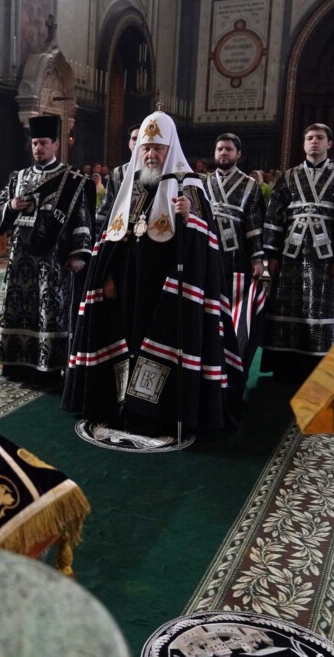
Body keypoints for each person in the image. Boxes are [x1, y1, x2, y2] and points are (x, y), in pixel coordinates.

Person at [64, 111, 241, 447]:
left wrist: (190, 220)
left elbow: (209, 245)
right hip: (127, 287)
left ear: (170, 148)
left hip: (169, 292)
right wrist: (107, 277)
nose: (150, 154)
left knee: (160, 346)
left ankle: (156, 413)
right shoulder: (131, 183)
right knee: (126, 343)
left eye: (158, 148)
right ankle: (122, 406)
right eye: (146, 148)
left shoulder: (189, 185)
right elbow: (111, 239)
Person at [261, 123, 334, 381]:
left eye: (320, 138)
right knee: (287, 305)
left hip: (325, 256)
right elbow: (275, 214)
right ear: (304, 143)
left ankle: (316, 365)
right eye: (309, 137)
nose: (314, 141)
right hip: (290, 254)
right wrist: (272, 254)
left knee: (320, 307)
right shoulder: (288, 177)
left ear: (329, 144)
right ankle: (284, 365)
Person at [0, 114, 94, 387]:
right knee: (18, 307)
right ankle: (16, 364)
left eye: (43, 143)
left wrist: (78, 253)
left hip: (53, 257)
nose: (38, 148)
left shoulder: (70, 179)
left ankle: (46, 369)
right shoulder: (19, 177)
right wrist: (11, 206)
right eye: (35, 143)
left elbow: (81, 217)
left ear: (55, 144)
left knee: (49, 309)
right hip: (20, 257)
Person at [204, 133, 266, 369]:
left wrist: (257, 258)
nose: (223, 153)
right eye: (219, 149)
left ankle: (233, 363)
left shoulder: (250, 185)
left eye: (228, 149)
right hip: (209, 256)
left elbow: (254, 224)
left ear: (238, 154)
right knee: (210, 309)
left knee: (235, 312)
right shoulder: (203, 183)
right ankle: (210, 360)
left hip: (237, 259)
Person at [97, 123, 139, 234]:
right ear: (129, 143)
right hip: (118, 231)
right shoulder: (117, 173)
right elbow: (106, 207)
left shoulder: (156, 174)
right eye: (134, 138)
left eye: (141, 138)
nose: (137, 142)